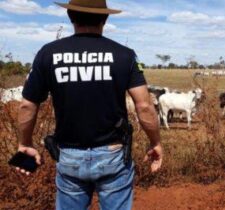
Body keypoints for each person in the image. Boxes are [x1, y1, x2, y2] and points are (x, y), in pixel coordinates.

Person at [15, 0, 163, 209]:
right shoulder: (124, 55)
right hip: (113, 155)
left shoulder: (48, 53)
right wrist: (155, 142)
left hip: (69, 156)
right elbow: (145, 106)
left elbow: (27, 106)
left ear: (70, 17)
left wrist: (25, 144)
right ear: (105, 18)